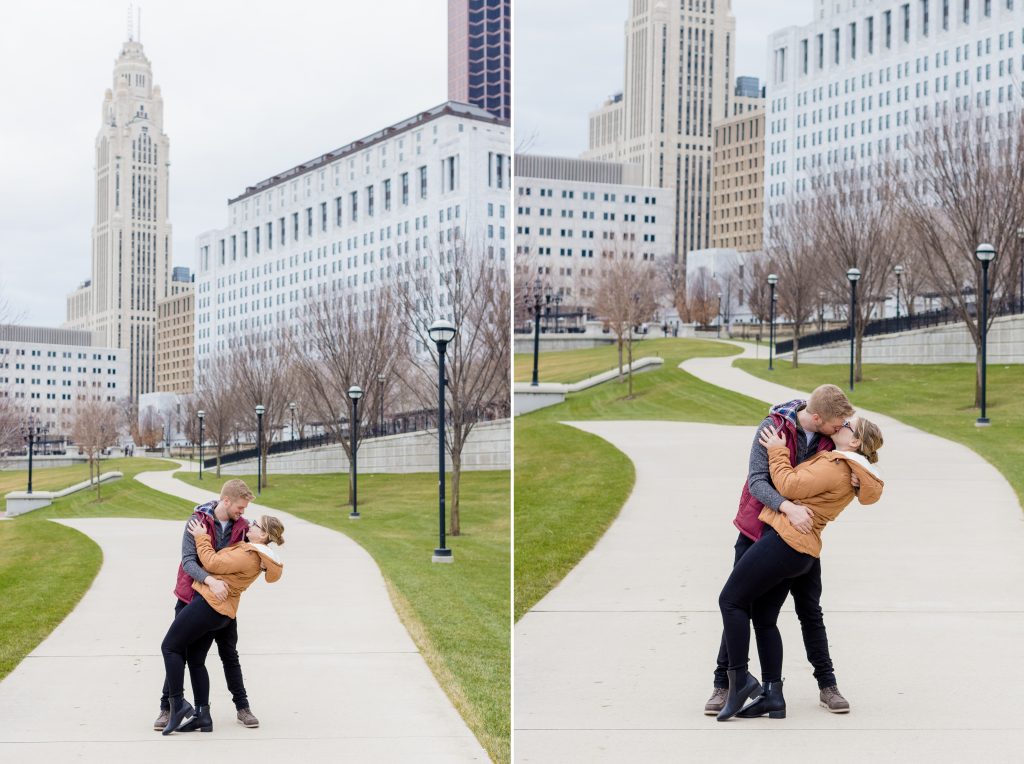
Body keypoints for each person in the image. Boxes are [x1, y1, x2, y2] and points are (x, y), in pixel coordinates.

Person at [716, 416, 884, 721]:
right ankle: (772, 696)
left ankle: (739, 681)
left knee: (730, 601)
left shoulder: (837, 466)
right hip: (797, 546)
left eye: (848, 424)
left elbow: (788, 485)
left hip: (786, 542)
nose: (841, 425)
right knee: (764, 618)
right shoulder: (844, 463)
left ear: (855, 441)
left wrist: (777, 450)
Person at [153, 479, 262, 731]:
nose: (242, 513)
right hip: (190, 597)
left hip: (222, 602)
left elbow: (253, 554)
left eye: (244, 510)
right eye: (240, 507)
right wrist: (210, 580)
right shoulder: (197, 522)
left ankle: (242, 707)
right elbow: (188, 561)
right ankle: (166, 707)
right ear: (226, 500)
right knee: (177, 649)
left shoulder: (243, 528)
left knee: (229, 653)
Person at [161, 513, 285, 734]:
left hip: (210, 605)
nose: (250, 524)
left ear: (263, 534)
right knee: (196, 659)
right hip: (220, 610)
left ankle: (177, 704)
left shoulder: (249, 555)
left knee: (170, 647)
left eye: (255, 524)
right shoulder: (253, 552)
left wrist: (201, 536)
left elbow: (212, 562)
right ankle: (202, 716)